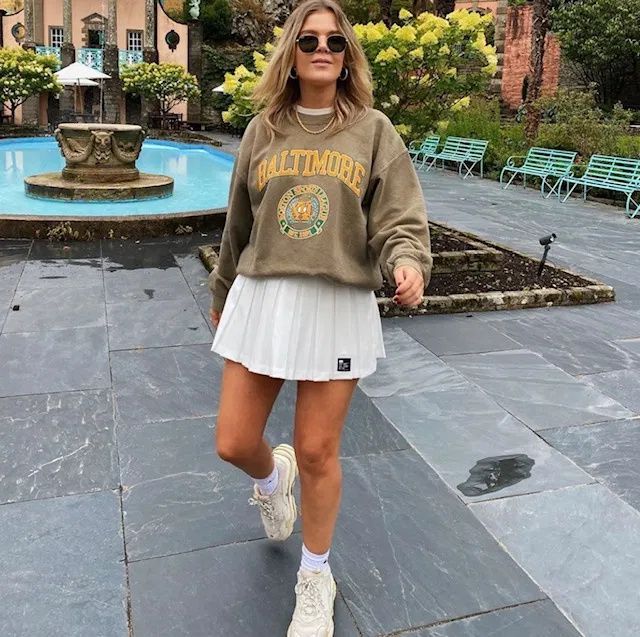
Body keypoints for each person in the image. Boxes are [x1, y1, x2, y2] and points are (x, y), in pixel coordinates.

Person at [208, 1, 432, 634]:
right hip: (263, 297)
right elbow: (237, 224)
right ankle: (271, 479)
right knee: (232, 441)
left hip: (336, 301)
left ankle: (316, 573)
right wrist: (223, 290)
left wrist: (407, 261)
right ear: (292, 52)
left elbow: (399, 217)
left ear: (348, 53)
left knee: (317, 450)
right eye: (309, 39)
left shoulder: (372, 130)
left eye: (335, 40)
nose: (323, 48)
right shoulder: (263, 130)